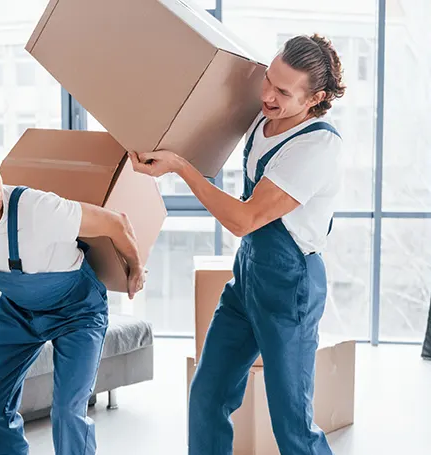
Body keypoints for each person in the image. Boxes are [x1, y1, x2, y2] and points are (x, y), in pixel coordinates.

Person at [130, 34, 346, 455]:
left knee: (292, 425)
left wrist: (180, 168)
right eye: (268, 79)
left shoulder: (316, 146)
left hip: (290, 288)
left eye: (283, 91)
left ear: (315, 97)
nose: (267, 94)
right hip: (248, 279)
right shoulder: (262, 117)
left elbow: (244, 219)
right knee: (207, 397)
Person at [0, 135, 146, 455]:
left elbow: (117, 223)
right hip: (19, 312)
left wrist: (136, 269)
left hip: (78, 311)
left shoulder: (37, 208)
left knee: (67, 413)